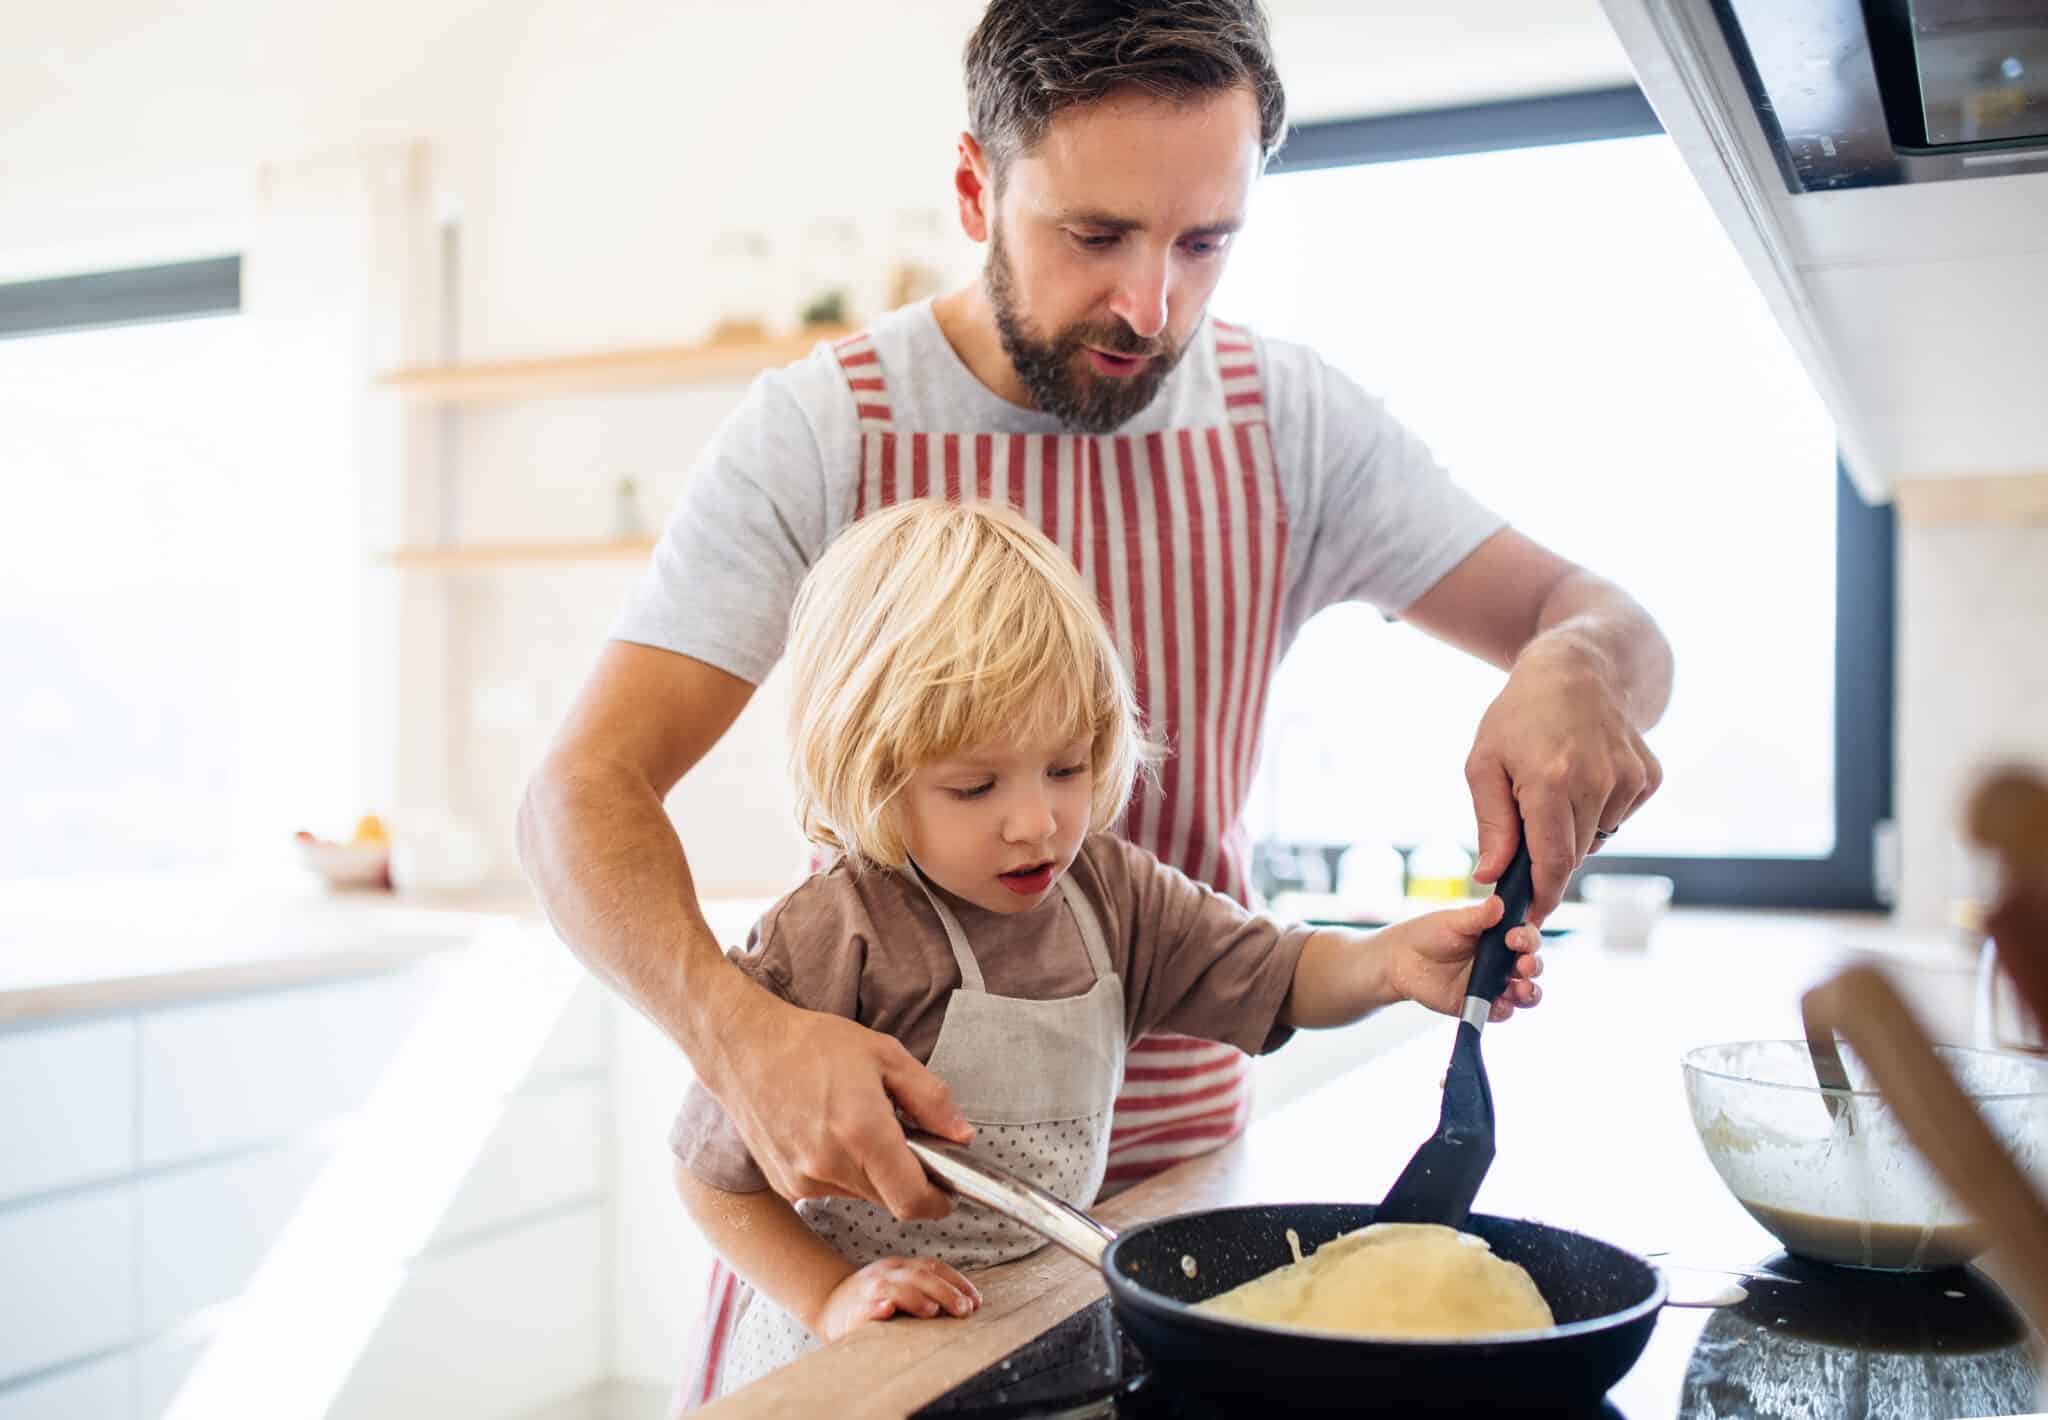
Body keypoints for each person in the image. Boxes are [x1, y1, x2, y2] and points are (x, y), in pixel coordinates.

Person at [518, 0, 1670, 1391]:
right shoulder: (824, 432)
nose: (1151, 306)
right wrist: (741, 1031)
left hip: (1188, 1224)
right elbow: (576, 797)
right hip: (884, 1269)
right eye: (1094, 236)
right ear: (974, 190)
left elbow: (1604, 617)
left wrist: (1574, 663)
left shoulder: (1285, 421)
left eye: (1205, 243)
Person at [672, 499, 1545, 1398]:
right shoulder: (835, 932)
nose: (1036, 822)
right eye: (974, 786)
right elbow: (713, 1180)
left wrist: (1391, 963)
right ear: (871, 773)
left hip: (1026, 1324)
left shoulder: (1111, 896)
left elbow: (1279, 976)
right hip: (851, 1360)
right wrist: (832, 1298)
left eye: (1067, 767)